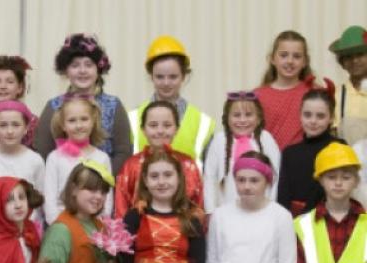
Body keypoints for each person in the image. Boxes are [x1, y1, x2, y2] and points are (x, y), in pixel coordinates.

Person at [120, 147, 205, 263]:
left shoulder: (191, 219)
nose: (161, 182)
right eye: (154, 176)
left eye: (168, 175)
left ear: (179, 178)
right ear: (145, 181)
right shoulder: (135, 217)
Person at [34, 34, 131, 173]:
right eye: (75, 65)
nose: (82, 71)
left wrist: (101, 181)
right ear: (66, 71)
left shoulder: (114, 105)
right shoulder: (54, 107)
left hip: (104, 188)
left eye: (88, 65)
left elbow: (123, 152)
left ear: (98, 70)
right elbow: (43, 152)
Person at [295, 141, 367, 263]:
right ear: (320, 179)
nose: (338, 183)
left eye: (346, 177)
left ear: (356, 180)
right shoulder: (300, 226)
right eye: (331, 176)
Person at [40, 160, 118, 263]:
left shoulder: (99, 225)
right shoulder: (61, 230)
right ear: (74, 189)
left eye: (103, 192)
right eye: (91, 189)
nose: (98, 196)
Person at [128, 36, 214, 166]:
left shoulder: (203, 123)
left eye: (173, 77)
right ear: (151, 76)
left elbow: (210, 173)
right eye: (160, 77)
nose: (166, 83)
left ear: (184, 76)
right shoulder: (132, 119)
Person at [115, 101, 203, 219]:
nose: (160, 131)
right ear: (143, 129)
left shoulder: (188, 164)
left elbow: (197, 207)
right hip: (138, 234)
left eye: (167, 125)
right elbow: (121, 210)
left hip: (182, 232)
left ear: (176, 129)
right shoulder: (131, 165)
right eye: (153, 125)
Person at [203, 91, 281, 212]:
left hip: (261, 211)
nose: (242, 120)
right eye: (236, 115)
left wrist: (271, 207)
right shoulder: (219, 140)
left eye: (248, 115)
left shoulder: (266, 139)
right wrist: (210, 212)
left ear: (259, 118)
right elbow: (209, 178)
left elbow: (277, 177)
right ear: (227, 118)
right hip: (226, 212)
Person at [42, 96, 112, 223]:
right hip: (63, 227)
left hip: (93, 229)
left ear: (93, 121)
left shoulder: (102, 158)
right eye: (72, 121)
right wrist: (59, 225)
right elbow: (50, 200)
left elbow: (107, 199)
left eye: (84, 119)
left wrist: (99, 225)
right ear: (63, 125)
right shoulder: (55, 158)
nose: (79, 125)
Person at [276, 89, 344, 216]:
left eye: (320, 116)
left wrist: (307, 215)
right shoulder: (289, 153)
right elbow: (283, 196)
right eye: (307, 115)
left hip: (328, 220)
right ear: (300, 115)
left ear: (331, 117)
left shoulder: (339, 147)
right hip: (294, 223)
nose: (313, 121)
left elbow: (338, 188)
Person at [255, 30, 316, 151]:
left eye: (297, 56)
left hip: (304, 163)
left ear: (305, 61)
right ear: (272, 59)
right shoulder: (257, 95)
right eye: (283, 55)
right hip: (267, 164)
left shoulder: (315, 93)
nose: (290, 61)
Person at [0, 100, 45, 191]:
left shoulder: (35, 161)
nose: (10, 131)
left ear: (26, 128)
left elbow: (41, 197)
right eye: (3, 125)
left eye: (16, 125)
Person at [330, 26, 367, 144]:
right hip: (347, 160)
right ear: (342, 62)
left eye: (360, 54)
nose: (355, 60)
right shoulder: (336, 94)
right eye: (349, 56)